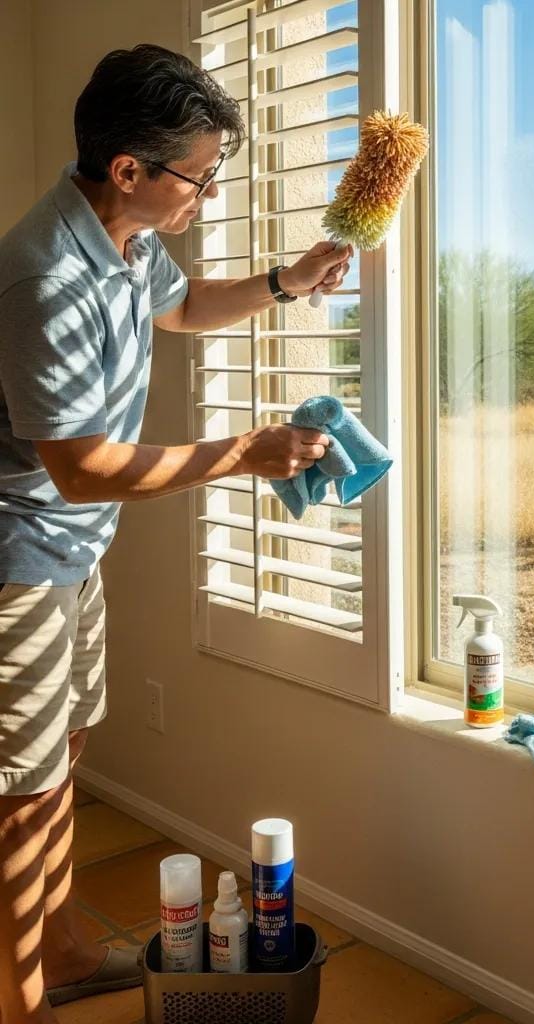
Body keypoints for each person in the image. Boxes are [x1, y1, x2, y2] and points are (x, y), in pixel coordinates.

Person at [0, 44, 354, 1023]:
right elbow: (79, 465)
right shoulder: (42, 280)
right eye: (200, 178)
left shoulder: (124, 242)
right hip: (15, 563)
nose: (206, 195)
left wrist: (289, 280)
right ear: (129, 170)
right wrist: (242, 452)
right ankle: (21, 994)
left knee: (56, 754)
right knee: (22, 789)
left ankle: (63, 946)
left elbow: (187, 306)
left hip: (71, 550)